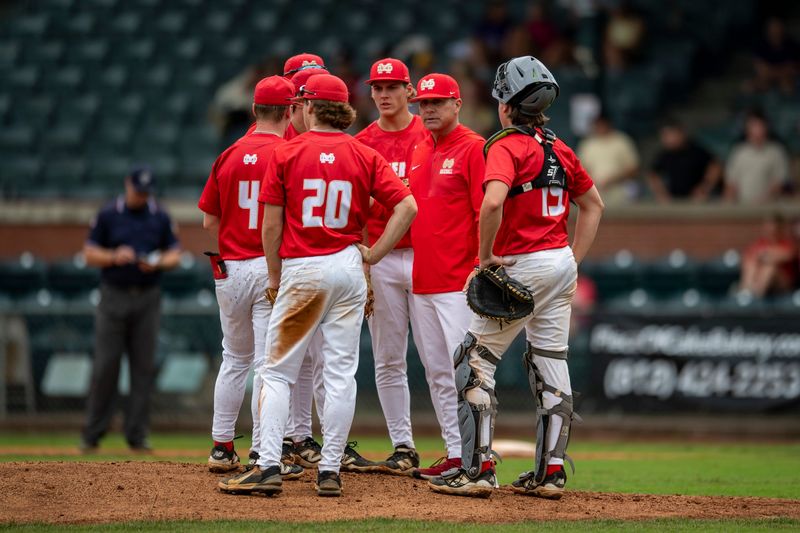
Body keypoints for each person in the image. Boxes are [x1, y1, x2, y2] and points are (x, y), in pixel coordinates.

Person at [218, 73, 417, 497]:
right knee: (342, 373)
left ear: (307, 106)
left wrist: (274, 276)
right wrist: (375, 254)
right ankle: (330, 471)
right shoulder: (363, 152)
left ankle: (268, 463)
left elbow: (271, 226)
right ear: (342, 109)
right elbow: (407, 205)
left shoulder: (288, 152)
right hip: (348, 265)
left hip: (305, 267)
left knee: (276, 372)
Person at [428, 55, 603, 499]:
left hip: (522, 263)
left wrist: (485, 256)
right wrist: (572, 261)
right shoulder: (560, 148)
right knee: (551, 362)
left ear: (506, 104)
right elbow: (595, 204)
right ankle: (552, 472)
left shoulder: (506, 145)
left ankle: (478, 469)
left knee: (473, 363)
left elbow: (491, 204)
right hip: (559, 263)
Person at [198, 75, 301, 477]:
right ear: (289, 111)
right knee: (266, 365)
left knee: (234, 358)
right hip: (267, 266)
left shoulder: (229, 153)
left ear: (254, 110)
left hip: (228, 268)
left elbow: (209, 220)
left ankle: (222, 445)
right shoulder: (288, 153)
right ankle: (262, 451)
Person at [405, 73, 486, 480]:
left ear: (458, 104)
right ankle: (456, 455)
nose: (429, 109)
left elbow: (485, 213)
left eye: (438, 101)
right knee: (437, 373)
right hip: (423, 282)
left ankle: (479, 457)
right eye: (423, 102)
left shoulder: (474, 148)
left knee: (466, 374)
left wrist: (479, 267)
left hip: (459, 284)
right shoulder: (420, 147)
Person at [354, 58, 428, 474]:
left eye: (392, 87)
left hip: (424, 256)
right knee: (387, 358)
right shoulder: (363, 141)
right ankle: (404, 446)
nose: (383, 95)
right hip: (380, 258)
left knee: (441, 358)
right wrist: (364, 262)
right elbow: (355, 209)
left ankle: (460, 448)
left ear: (409, 90)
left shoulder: (428, 132)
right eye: (378, 88)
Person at [80, 166, 182, 453]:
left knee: (143, 367)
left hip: (147, 296)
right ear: (128, 185)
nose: (141, 196)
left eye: (146, 192)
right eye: (138, 191)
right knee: (106, 365)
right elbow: (88, 253)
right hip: (113, 295)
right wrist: (114, 255)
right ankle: (92, 433)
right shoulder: (108, 214)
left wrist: (158, 262)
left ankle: (136, 434)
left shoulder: (159, 216)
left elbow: (176, 253)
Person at [648, 119, 722, 203]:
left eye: (669, 134)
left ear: (680, 133)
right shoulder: (665, 155)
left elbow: (715, 167)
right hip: (675, 200)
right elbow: (653, 174)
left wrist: (704, 188)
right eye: (664, 135)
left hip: (697, 200)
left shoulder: (695, 150)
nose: (666, 139)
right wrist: (660, 193)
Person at [724, 111, 790, 204]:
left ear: (766, 128)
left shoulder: (776, 151)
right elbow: (731, 183)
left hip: (769, 206)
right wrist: (729, 204)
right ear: (747, 129)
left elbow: (779, 182)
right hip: (742, 206)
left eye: (760, 126)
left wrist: (763, 200)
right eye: (753, 126)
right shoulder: (738, 152)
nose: (757, 130)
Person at [576, 113, 639, 205]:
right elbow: (580, 169)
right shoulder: (587, 144)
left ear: (609, 124)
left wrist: (612, 180)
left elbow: (633, 169)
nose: (600, 127)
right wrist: (594, 182)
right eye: (598, 125)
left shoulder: (621, 140)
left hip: (620, 190)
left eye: (603, 124)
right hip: (594, 190)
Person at [738, 214, 797, 299]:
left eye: (774, 228)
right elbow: (748, 256)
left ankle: (756, 297)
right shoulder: (760, 244)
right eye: (769, 227)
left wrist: (766, 255)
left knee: (769, 267)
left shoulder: (786, 244)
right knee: (750, 263)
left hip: (784, 284)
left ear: (780, 229)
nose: (771, 230)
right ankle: (745, 292)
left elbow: (788, 255)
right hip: (758, 279)